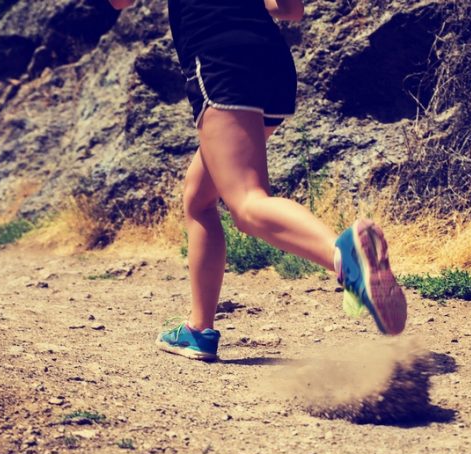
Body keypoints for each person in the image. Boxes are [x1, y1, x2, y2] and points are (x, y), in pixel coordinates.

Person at [109, 0, 407, 361]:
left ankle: (345, 256)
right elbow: (290, 8)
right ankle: (198, 330)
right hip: (270, 61)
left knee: (247, 203)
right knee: (199, 197)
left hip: (220, 55)